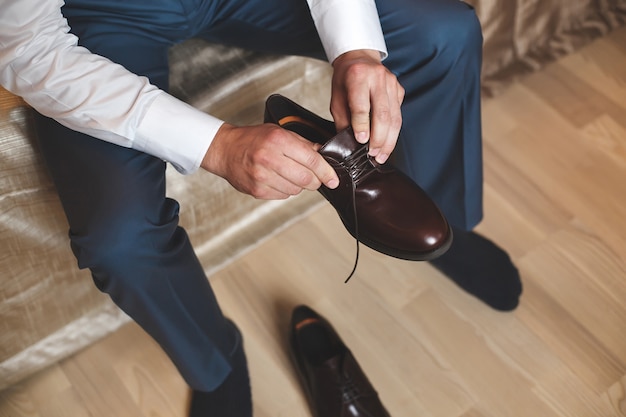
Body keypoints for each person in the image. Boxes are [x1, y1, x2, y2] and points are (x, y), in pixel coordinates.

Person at [0, 0, 522, 415]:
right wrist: (216, 144)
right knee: (118, 238)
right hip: (97, 16)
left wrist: (358, 51)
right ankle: (216, 364)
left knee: (445, 32)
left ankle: (446, 219)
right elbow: (26, 49)